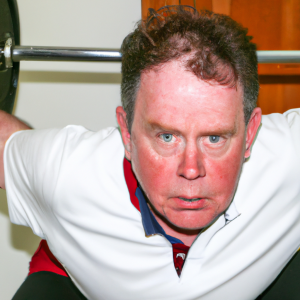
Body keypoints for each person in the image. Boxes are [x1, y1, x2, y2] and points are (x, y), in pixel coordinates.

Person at [1, 5, 300, 299]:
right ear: (127, 134)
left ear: (250, 135)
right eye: (167, 137)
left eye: (214, 138)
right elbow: (6, 147)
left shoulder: (287, 161)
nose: (191, 169)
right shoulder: (69, 176)